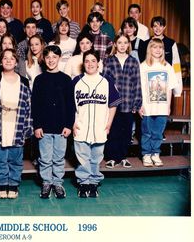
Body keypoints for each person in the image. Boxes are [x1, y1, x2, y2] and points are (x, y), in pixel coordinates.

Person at [72, 50, 121, 198]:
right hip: (81, 126)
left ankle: (93, 183)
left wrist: (109, 123)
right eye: (87, 61)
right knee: (82, 158)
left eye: (93, 61)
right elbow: (70, 105)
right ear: (83, 63)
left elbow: (113, 104)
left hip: (100, 126)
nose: (90, 64)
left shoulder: (106, 81)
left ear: (98, 63)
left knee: (96, 157)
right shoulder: (76, 81)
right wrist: (72, 123)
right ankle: (83, 183)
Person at [0, 48, 32, 199]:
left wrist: (27, 129)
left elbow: (28, 108)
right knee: (0, 159)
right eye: (5, 58)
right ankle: (2, 184)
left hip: (17, 128)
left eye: (11, 58)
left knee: (15, 159)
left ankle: (13, 184)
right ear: (0, 61)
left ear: (16, 62)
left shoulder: (23, 83)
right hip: (0, 128)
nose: (8, 61)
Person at [31, 45, 74, 199]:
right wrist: (37, 126)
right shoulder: (39, 80)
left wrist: (69, 125)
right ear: (44, 59)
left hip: (61, 127)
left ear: (59, 58)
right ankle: (46, 182)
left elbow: (70, 105)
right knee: (45, 157)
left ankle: (57, 183)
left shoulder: (66, 79)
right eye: (48, 57)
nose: (51, 60)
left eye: (54, 57)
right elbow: (34, 105)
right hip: (44, 127)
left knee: (58, 157)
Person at [103, 33, 142, 168]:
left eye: (125, 42)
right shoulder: (109, 60)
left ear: (128, 45)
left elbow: (137, 83)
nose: (122, 45)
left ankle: (123, 156)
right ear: (115, 44)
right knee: (113, 130)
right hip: (112, 104)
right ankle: (112, 157)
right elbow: (105, 82)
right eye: (119, 42)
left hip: (128, 102)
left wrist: (137, 103)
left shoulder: (133, 61)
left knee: (126, 132)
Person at [139, 38, 178, 167]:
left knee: (158, 132)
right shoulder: (143, 66)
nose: (157, 50)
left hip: (162, 107)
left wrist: (168, 106)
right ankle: (146, 154)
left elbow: (170, 89)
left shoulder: (168, 67)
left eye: (160, 47)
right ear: (149, 49)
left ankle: (156, 153)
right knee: (147, 132)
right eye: (154, 47)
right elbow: (140, 88)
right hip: (147, 107)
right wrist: (140, 105)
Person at [141, 16, 183, 97]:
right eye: (155, 26)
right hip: (149, 82)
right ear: (152, 27)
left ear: (164, 27)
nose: (158, 28)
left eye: (160, 25)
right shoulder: (145, 44)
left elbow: (176, 64)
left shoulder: (171, 43)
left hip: (166, 82)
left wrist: (178, 90)